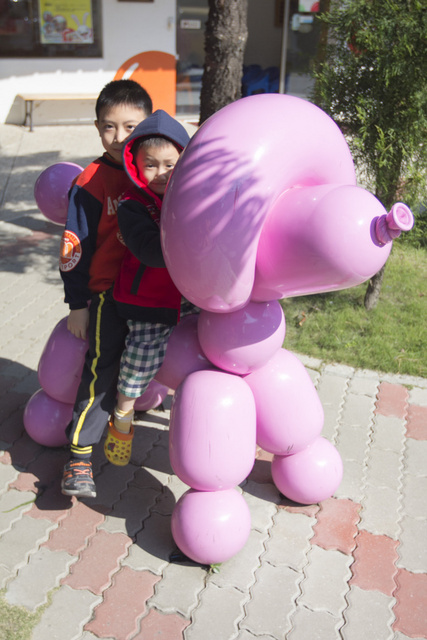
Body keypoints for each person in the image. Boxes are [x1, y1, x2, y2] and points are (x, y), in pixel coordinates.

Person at [60, 79, 153, 498]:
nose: (119, 138)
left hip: (153, 293)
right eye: (108, 128)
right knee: (103, 371)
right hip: (107, 296)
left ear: (150, 123)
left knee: (144, 363)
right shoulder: (91, 182)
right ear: (97, 128)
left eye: (131, 127)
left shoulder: (158, 172)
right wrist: (78, 304)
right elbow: (73, 249)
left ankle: (129, 415)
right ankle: (78, 456)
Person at [103, 109, 198, 466]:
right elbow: (148, 250)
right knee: (142, 357)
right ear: (135, 166)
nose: (161, 174)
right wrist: (192, 240)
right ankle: (123, 413)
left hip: (190, 293)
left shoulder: (190, 196)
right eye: (151, 165)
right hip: (148, 298)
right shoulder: (133, 204)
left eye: (170, 164)